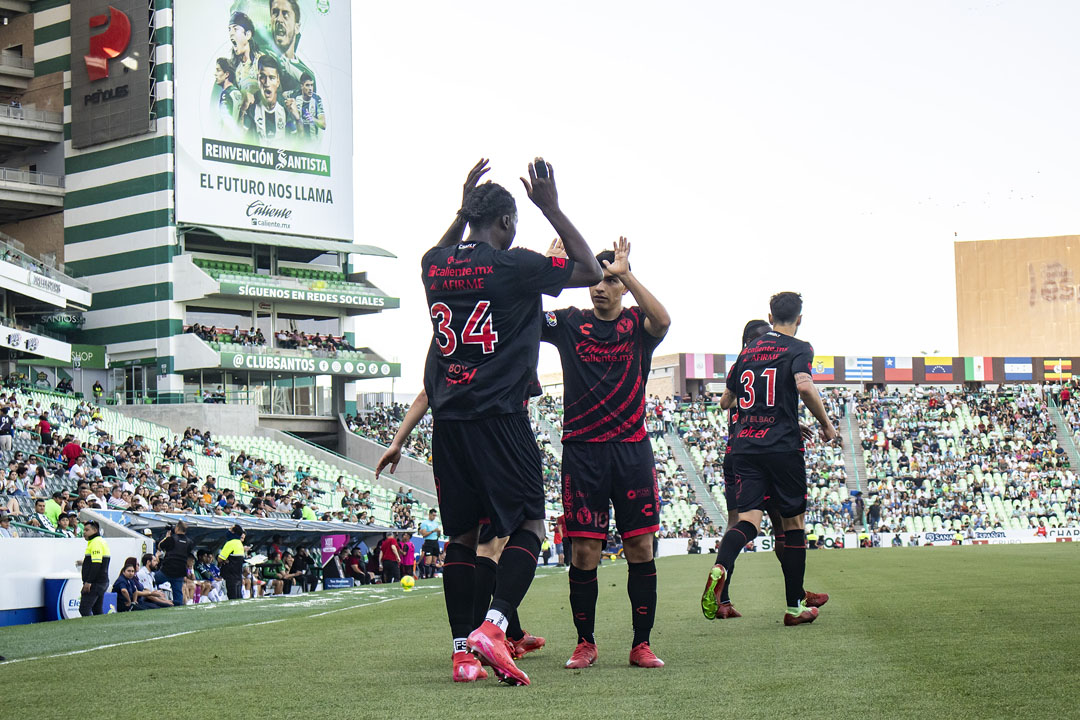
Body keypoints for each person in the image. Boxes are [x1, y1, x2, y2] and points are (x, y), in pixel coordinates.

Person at [386, 157, 601, 684]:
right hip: (500, 417)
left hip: (448, 422)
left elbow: (439, 252)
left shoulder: (433, 264)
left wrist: (461, 210)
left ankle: (462, 655)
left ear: (468, 216)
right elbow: (592, 271)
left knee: (461, 537)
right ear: (506, 222)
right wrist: (551, 207)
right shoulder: (513, 265)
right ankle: (495, 625)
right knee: (529, 524)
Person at [540, 236, 669, 670]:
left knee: (640, 547)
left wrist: (628, 274)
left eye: (610, 281)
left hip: (632, 451)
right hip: (583, 453)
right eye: (595, 279)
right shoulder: (569, 321)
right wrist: (547, 270)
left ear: (623, 288)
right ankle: (585, 643)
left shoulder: (637, 326)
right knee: (583, 552)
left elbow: (664, 320)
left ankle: (641, 644)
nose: (600, 287)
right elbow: (524, 316)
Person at [702, 292, 839, 626]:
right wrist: (825, 423)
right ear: (800, 318)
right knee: (792, 525)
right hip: (781, 447)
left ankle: (721, 566)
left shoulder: (746, 353)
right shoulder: (799, 347)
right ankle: (794, 607)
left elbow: (727, 398)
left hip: (745, 447)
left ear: (770, 315)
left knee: (747, 521)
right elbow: (804, 386)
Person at [242, 54, 295, 143]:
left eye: (271, 78)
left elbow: (299, 139)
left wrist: (298, 119)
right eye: (262, 77)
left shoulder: (286, 106)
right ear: (258, 80)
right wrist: (242, 110)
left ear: (278, 81)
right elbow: (239, 135)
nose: (267, 83)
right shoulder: (252, 106)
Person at [267, 0, 314, 95]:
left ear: (297, 27)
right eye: (275, 13)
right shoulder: (259, 58)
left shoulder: (307, 76)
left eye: (285, 14)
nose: (279, 19)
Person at [156, 521, 194, 606]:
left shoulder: (171, 539)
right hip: (180, 571)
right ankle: (178, 606)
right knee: (178, 593)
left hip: (167, 570)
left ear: (177, 528)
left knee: (153, 581)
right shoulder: (189, 542)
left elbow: (159, 547)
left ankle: (149, 599)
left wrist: (167, 537)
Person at [79, 520, 111, 616]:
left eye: (87, 530)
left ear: (95, 530)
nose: (84, 532)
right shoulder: (100, 541)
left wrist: (89, 582)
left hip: (95, 583)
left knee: (84, 609)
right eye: (84, 530)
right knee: (97, 610)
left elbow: (96, 564)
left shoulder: (95, 542)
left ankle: (89, 626)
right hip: (101, 581)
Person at [284, 72, 325, 141]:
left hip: (312, 142)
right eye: (307, 85)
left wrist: (313, 119)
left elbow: (323, 125)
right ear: (302, 86)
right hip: (298, 140)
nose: (310, 88)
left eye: (311, 85)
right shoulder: (294, 95)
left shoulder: (317, 99)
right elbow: (283, 94)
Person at [218, 524, 246, 600]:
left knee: (232, 597)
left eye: (230, 529)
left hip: (230, 575)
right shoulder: (239, 543)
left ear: (233, 532)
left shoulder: (230, 543)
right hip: (238, 575)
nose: (228, 530)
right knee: (238, 597)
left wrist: (224, 559)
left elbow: (220, 559)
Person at [214, 57, 243, 128]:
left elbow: (226, 124)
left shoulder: (226, 94)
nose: (215, 74)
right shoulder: (237, 92)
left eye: (218, 70)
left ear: (226, 74)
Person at [417, 509, 441, 579]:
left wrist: (439, 532)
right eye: (433, 515)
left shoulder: (436, 523)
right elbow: (424, 534)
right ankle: (427, 576)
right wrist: (433, 531)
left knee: (434, 561)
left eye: (435, 516)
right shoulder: (424, 523)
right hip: (428, 542)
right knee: (428, 561)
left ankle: (432, 576)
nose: (434, 517)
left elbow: (438, 535)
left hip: (435, 541)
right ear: (429, 514)